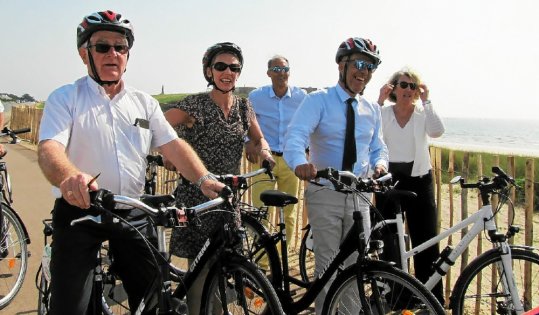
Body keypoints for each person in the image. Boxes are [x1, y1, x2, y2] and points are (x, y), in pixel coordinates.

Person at [37, 10, 223, 314]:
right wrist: (71, 177)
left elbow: (173, 146)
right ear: (84, 53)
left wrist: (204, 180)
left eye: (120, 47)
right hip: (81, 211)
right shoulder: (66, 97)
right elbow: (50, 148)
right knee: (71, 307)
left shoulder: (143, 102)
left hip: (133, 212)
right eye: (102, 47)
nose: (113, 53)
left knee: (155, 301)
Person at [164, 42, 274, 315]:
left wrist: (264, 152)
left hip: (227, 199)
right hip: (197, 197)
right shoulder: (195, 104)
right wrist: (170, 152)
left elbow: (258, 138)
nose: (228, 72)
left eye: (234, 67)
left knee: (228, 265)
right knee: (200, 274)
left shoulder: (244, 107)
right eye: (220, 66)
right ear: (209, 71)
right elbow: (160, 126)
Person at [284, 37, 388, 314]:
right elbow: (295, 137)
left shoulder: (372, 109)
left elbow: (379, 147)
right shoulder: (318, 101)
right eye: (359, 64)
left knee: (357, 266)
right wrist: (299, 163)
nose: (364, 72)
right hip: (325, 191)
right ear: (342, 64)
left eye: (370, 67)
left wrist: (380, 166)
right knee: (328, 266)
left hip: (360, 195)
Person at [376, 68, 445, 304]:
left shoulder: (422, 114)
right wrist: (378, 100)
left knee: (425, 238)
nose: (407, 90)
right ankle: (395, 294)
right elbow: (367, 132)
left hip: (419, 179)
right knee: (389, 239)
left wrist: (428, 101)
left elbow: (437, 131)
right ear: (394, 87)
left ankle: (430, 297)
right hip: (387, 180)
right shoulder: (383, 113)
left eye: (412, 86)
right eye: (403, 85)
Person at [247, 55, 307, 250]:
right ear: (268, 73)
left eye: (285, 69)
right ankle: (261, 264)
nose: (282, 74)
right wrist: (248, 141)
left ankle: (282, 259)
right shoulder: (256, 97)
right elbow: (245, 122)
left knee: (289, 211)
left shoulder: (301, 97)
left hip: (291, 160)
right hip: (265, 158)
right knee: (260, 210)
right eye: (277, 69)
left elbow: (308, 125)